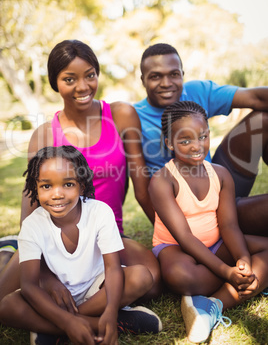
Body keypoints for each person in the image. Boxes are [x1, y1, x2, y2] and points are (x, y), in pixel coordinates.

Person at [0, 40, 161, 304]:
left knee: (152, 282)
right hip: (55, 240)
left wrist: (171, 238)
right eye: (70, 79)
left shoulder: (121, 115)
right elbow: (30, 211)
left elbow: (142, 190)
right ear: (55, 83)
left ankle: (83, 314)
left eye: (90, 75)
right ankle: (10, 254)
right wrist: (46, 275)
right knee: (4, 300)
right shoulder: (45, 135)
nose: (83, 86)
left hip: (109, 234)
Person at [0, 146, 162, 345]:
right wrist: (68, 322)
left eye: (67, 184)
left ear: (82, 186)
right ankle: (101, 323)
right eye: (46, 186)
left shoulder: (99, 212)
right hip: (53, 297)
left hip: (95, 290)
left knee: (141, 276)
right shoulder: (33, 225)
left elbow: (112, 269)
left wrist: (110, 313)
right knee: (7, 306)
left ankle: (56, 328)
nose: (56, 194)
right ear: (36, 188)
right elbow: (30, 286)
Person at [148, 101, 268, 343]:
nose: (196, 146)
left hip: (216, 244)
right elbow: (184, 237)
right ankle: (247, 282)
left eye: (202, 137)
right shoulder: (162, 181)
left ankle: (214, 303)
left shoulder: (221, 175)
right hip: (177, 249)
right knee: (180, 276)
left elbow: (229, 226)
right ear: (169, 143)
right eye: (185, 141)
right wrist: (226, 271)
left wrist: (242, 259)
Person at [134, 43, 268, 236]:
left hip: (217, 182)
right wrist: (173, 232)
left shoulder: (197, 91)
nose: (166, 83)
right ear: (143, 80)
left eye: (173, 74)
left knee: (262, 120)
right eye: (155, 76)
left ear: (182, 74)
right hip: (192, 212)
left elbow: (256, 97)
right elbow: (142, 191)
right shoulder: (135, 116)